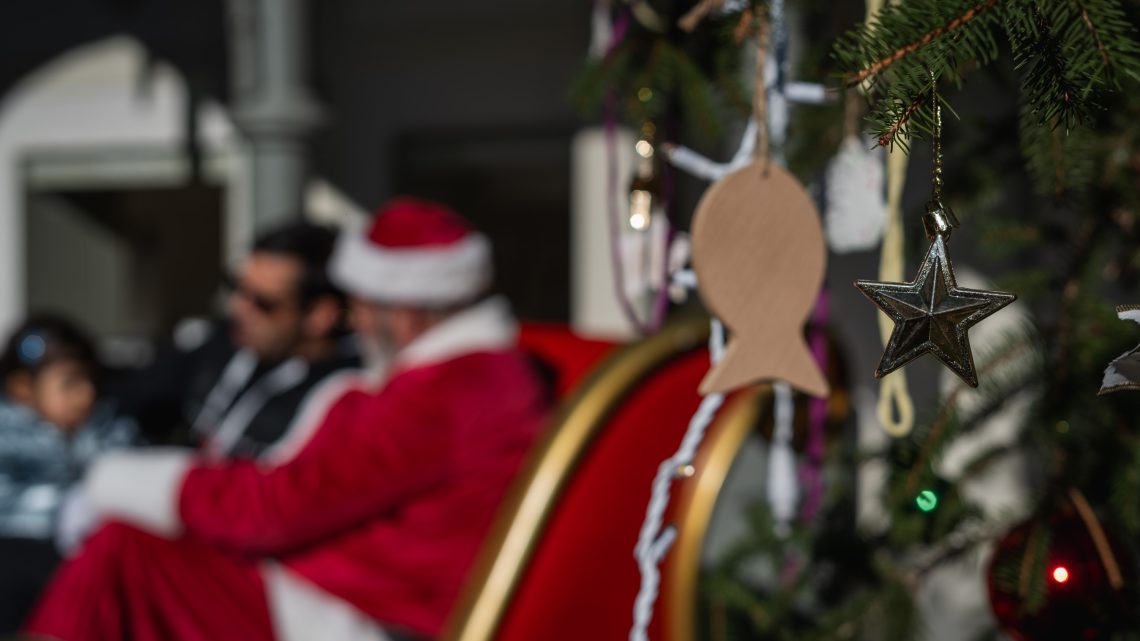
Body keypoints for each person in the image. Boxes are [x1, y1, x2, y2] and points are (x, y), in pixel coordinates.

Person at [23, 198, 551, 641]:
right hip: (324, 589)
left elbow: (280, 509)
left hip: (360, 616)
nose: (357, 319)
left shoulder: (449, 390)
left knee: (125, 552)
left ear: (406, 310)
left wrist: (122, 482)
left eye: (365, 305)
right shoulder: (449, 378)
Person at [116, 221, 361, 460]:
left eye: (263, 303)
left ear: (320, 315)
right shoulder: (221, 343)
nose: (238, 308)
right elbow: (130, 404)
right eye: (237, 288)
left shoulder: (346, 396)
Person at [0, 315, 136, 632]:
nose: (86, 394)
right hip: (16, 544)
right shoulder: (8, 438)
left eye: (91, 382)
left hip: (75, 552)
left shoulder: (106, 430)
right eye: (70, 382)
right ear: (22, 388)